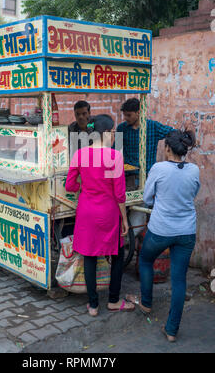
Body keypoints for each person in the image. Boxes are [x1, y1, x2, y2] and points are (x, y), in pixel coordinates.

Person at [126, 129, 200, 342]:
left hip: (161, 230)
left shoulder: (158, 168)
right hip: (187, 231)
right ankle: (171, 330)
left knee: (146, 260)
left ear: (167, 148)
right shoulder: (194, 170)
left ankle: (146, 303)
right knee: (179, 280)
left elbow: (148, 199)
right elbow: (193, 194)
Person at [65, 114, 135, 316]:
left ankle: (93, 305)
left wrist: (83, 187)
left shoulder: (79, 155)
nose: (114, 135)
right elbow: (119, 193)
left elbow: (70, 185)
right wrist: (124, 219)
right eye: (112, 131)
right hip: (108, 212)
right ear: (104, 133)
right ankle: (113, 300)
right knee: (117, 254)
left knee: (89, 256)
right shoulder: (114, 156)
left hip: (87, 211)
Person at [115, 98, 175, 176]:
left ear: (138, 112)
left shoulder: (154, 126)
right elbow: (116, 150)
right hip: (129, 174)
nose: (125, 118)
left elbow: (174, 133)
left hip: (148, 173)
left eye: (129, 115)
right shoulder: (121, 128)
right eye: (124, 115)